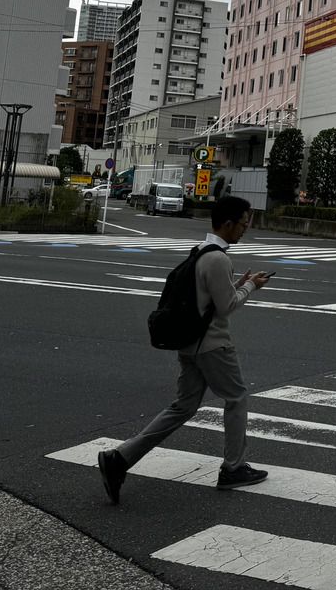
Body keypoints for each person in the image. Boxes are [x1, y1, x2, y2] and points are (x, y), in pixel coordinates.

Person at [97, 195, 272, 504]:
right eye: (243, 224)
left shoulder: (201, 251)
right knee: (236, 398)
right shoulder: (219, 258)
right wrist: (251, 286)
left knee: (183, 406)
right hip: (213, 346)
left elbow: (205, 298)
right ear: (228, 223)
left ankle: (120, 458)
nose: (245, 229)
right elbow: (227, 306)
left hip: (189, 344)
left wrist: (237, 283)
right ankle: (233, 468)